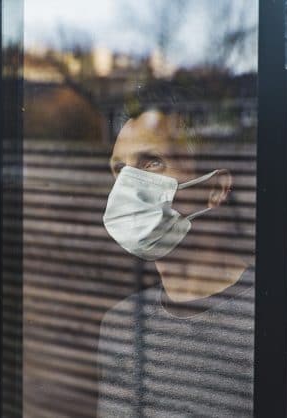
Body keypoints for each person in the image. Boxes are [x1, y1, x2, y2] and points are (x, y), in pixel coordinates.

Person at [97, 108, 255, 417]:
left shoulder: (269, 324)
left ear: (215, 189)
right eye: (119, 169)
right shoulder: (120, 325)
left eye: (152, 162)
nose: (127, 186)